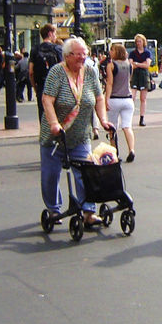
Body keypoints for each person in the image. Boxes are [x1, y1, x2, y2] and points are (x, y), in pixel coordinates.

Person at [39, 37, 113, 226]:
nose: (83, 58)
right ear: (67, 56)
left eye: (85, 54)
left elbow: (98, 98)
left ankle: (89, 212)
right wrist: (54, 123)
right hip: (56, 136)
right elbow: (47, 99)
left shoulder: (90, 71)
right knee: (51, 175)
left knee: (85, 173)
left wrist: (103, 120)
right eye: (78, 55)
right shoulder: (57, 72)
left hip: (81, 135)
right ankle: (54, 209)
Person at [105, 43, 136, 162]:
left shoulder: (111, 65)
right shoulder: (130, 65)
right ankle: (131, 150)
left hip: (115, 98)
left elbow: (110, 83)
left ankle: (114, 153)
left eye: (111, 50)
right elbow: (128, 80)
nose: (110, 52)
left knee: (112, 128)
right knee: (127, 126)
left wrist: (106, 99)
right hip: (128, 98)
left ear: (116, 52)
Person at [29, 23, 63, 120]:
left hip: (41, 86)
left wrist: (35, 87)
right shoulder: (57, 49)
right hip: (56, 87)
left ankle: (44, 133)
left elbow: (31, 72)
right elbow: (63, 69)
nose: (55, 36)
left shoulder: (35, 50)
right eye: (55, 33)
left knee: (43, 114)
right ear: (50, 34)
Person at [128, 34, 153, 127]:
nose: (138, 43)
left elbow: (147, 65)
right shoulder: (132, 53)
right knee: (132, 97)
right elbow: (131, 65)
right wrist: (140, 64)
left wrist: (137, 63)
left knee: (143, 98)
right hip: (135, 75)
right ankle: (129, 118)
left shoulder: (147, 53)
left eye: (140, 41)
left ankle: (142, 118)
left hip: (144, 75)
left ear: (143, 42)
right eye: (137, 42)